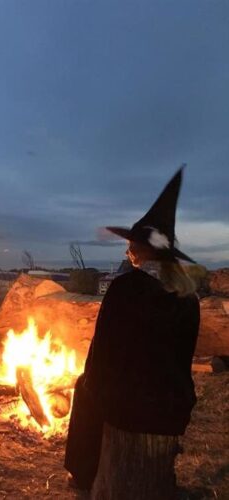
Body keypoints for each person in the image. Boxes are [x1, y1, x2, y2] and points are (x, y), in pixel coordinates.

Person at [64, 166, 200, 500]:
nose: (127, 249)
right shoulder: (188, 297)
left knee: (86, 388)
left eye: (131, 244)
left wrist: (92, 387)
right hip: (173, 407)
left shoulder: (126, 288)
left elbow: (100, 359)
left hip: (131, 409)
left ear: (141, 249)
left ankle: (83, 476)